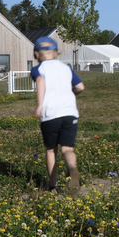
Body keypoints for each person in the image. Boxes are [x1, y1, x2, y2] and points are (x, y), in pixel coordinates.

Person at [31, 36, 84, 196]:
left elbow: (40, 81)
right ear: (55, 53)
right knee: (67, 148)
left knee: (51, 150)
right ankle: (72, 168)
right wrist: (70, 93)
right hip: (70, 113)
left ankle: (52, 185)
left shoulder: (38, 69)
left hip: (50, 114)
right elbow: (80, 87)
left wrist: (40, 105)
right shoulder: (66, 68)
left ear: (36, 54)